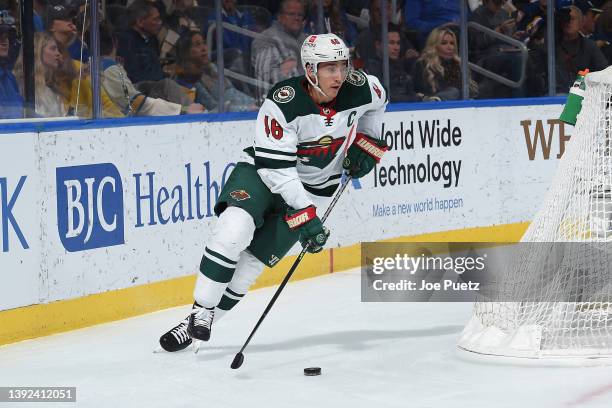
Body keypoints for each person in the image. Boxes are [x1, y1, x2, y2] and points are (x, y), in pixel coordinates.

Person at [158, 33, 389, 352]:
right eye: (329, 68)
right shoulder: (283, 102)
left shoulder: (360, 87)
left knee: (250, 266)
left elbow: (381, 100)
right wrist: (305, 213)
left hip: (316, 188)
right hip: (263, 174)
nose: (338, 75)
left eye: (342, 66)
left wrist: (369, 140)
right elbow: (276, 170)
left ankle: (195, 324)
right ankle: (202, 308)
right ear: (310, 69)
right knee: (233, 231)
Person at [93, 22, 204, 116]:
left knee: (163, 84)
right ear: (115, 42)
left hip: (126, 106)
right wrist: (183, 109)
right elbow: (136, 104)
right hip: (128, 119)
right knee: (167, 85)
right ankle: (199, 113)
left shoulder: (93, 66)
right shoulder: (110, 69)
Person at [174, 30, 257, 112]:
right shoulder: (188, 82)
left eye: (204, 43)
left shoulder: (212, 68)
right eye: (198, 44)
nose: (204, 48)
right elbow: (215, 109)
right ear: (186, 52)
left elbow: (232, 91)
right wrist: (249, 109)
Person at [251, 0, 309, 100]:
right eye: (291, 14)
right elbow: (268, 80)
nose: (296, 18)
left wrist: (295, 65)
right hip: (282, 104)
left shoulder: (307, 39)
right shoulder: (265, 39)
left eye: (300, 15)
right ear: (279, 17)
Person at [412, 27, 478, 101]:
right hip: (432, 106)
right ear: (434, 45)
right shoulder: (422, 65)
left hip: (458, 105)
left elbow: (471, 92)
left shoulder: (459, 64)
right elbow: (420, 91)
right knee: (453, 91)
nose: (449, 47)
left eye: (452, 43)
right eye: (444, 43)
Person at [116, 0, 164, 84]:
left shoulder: (153, 40)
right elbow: (132, 75)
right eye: (155, 19)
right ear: (140, 22)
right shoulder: (125, 41)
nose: (160, 22)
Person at [0, 10, 23, 119]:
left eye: (6, 37)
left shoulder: (9, 76)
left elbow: (23, 112)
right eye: (0, 38)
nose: (4, 42)